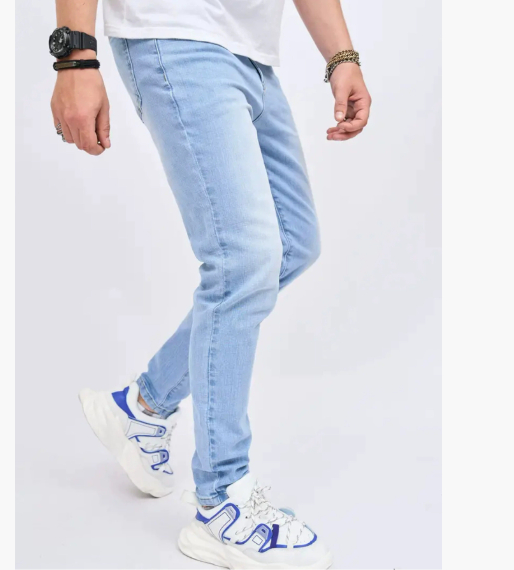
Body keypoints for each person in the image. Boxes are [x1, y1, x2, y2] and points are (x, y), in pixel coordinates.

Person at [51, 1, 371, 567]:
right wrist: (75, 58)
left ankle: (142, 406)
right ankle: (222, 505)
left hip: (250, 52)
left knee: (293, 243)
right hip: (173, 33)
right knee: (242, 260)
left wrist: (341, 56)